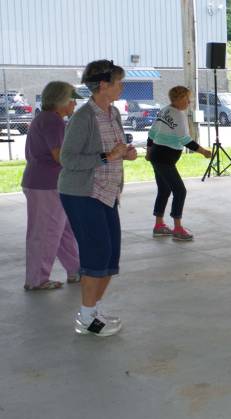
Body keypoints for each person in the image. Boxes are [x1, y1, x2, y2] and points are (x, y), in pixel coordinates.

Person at [59, 60, 137, 337]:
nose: (122, 87)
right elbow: (68, 160)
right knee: (95, 255)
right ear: (103, 85)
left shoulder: (113, 113)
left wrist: (125, 153)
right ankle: (85, 318)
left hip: (108, 192)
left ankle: (94, 310)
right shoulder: (83, 118)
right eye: (118, 82)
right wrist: (107, 157)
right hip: (82, 193)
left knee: (110, 256)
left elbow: (113, 149)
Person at [20, 81, 81, 291]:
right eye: (72, 100)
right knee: (45, 232)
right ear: (62, 101)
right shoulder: (53, 121)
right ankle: (37, 279)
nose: (74, 104)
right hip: (45, 185)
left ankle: (75, 269)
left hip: (47, 183)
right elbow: (60, 156)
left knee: (64, 230)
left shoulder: (48, 119)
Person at [146, 86, 212, 241]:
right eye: (186, 99)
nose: (189, 102)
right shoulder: (179, 115)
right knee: (180, 191)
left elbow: (152, 133)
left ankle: (159, 225)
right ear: (176, 99)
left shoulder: (165, 110)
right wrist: (203, 151)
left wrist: (149, 151)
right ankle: (177, 228)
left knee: (164, 190)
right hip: (164, 158)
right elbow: (185, 140)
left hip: (157, 154)